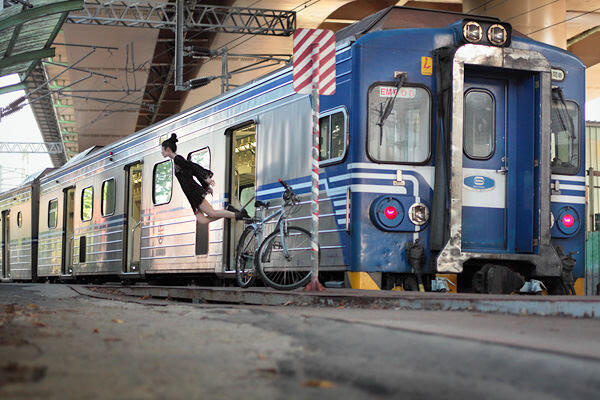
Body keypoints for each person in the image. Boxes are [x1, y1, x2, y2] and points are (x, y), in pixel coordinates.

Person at [160, 133, 248, 223]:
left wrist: (206, 178)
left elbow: (194, 167)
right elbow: (192, 172)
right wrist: (205, 186)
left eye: (162, 150)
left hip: (194, 192)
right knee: (202, 220)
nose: (161, 152)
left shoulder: (178, 159)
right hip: (190, 194)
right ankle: (229, 212)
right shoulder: (176, 161)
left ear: (167, 149)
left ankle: (236, 214)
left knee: (212, 213)